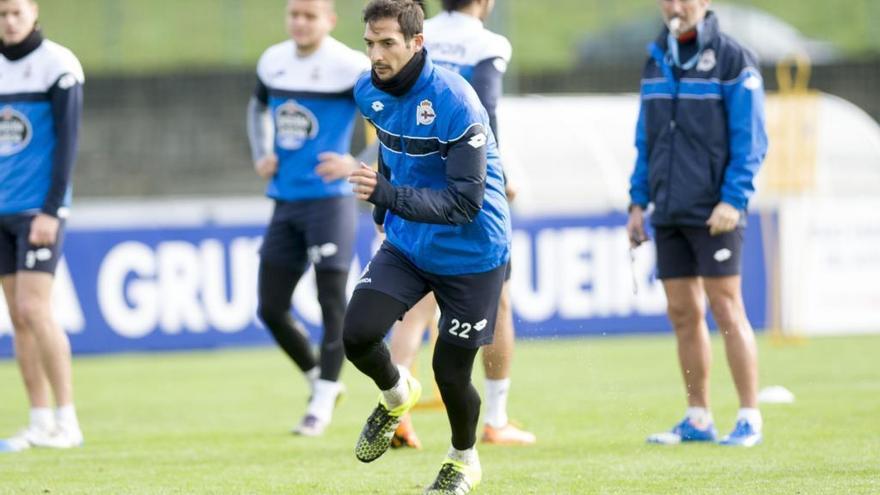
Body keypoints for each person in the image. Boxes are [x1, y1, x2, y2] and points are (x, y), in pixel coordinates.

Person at [344, 0, 510, 492]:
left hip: (473, 252)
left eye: (388, 43)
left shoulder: (456, 101)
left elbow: (464, 204)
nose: (377, 54)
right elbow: (390, 149)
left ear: (418, 43)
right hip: (410, 241)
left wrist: (385, 195)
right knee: (356, 334)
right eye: (371, 43)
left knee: (450, 372)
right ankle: (397, 395)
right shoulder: (366, 90)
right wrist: (383, 210)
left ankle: (463, 459)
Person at [388, 0, 535, 450]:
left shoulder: (419, 35)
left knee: (415, 308)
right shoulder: (487, 43)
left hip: (413, 181)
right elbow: (485, 107)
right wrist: (499, 175)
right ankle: (495, 418)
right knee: (499, 301)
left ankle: (396, 408)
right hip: (468, 187)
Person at [627, 0, 768, 447]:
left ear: (704, 3)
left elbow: (752, 140)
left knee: (727, 308)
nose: (675, 6)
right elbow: (644, 140)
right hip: (667, 210)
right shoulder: (656, 58)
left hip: (716, 210)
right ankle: (698, 416)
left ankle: (749, 417)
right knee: (683, 314)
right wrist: (637, 202)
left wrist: (735, 199)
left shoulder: (733, 59)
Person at [246, 0, 370, 437]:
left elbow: (389, 118)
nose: (300, 22)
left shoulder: (349, 65)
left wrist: (359, 162)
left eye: (309, 16)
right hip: (286, 201)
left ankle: (321, 402)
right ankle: (319, 379)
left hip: (330, 203)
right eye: (293, 14)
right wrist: (262, 153)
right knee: (271, 307)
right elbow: (257, 108)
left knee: (332, 303)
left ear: (329, 21)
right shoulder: (273, 61)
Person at [0, 0, 85, 452]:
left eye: (15, 12)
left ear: (33, 12)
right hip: (2, 209)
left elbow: (68, 143)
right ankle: (38, 420)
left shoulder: (57, 65)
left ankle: (67, 420)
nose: (9, 21)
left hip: (39, 210)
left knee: (35, 308)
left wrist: (52, 210)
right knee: (17, 317)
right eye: (1, 14)